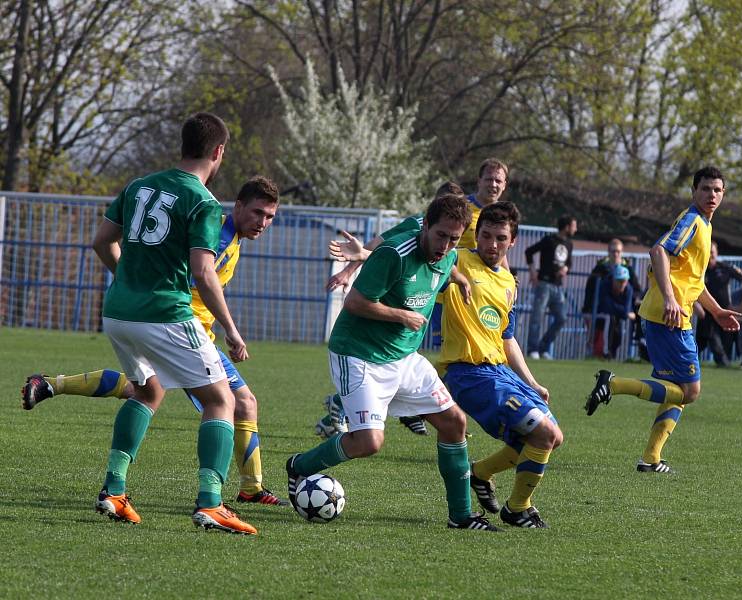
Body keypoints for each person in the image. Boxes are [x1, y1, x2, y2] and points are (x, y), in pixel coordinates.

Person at [21, 176, 287, 507]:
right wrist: (231, 330)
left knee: (144, 390)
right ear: (238, 206)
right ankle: (242, 490)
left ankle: (51, 385)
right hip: (181, 330)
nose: (263, 222)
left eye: (270, 217)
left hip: (150, 320)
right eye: (258, 213)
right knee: (240, 402)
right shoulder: (218, 239)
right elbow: (195, 278)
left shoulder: (231, 236)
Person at [286, 193, 499, 531]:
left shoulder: (447, 258)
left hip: (404, 359)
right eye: (441, 235)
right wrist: (401, 315)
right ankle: (299, 465)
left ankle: (461, 516)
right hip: (359, 355)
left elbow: (444, 270)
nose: (445, 245)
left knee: (454, 422)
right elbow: (355, 302)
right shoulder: (394, 254)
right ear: (425, 225)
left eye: (454, 239)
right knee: (368, 443)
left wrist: (459, 279)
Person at [89, 112, 257, 534]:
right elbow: (203, 272)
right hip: (165, 314)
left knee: (148, 391)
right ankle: (211, 502)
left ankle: (114, 488)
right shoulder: (201, 200)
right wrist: (232, 329)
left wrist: (128, 279)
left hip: (117, 312)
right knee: (223, 400)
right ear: (218, 152)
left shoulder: (137, 185)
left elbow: (101, 241)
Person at [584, 166, 740, 473]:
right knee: (690, 391)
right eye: (706, 189)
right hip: (669, 315)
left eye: (717, 190)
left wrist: (716, 310)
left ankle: (651, 458)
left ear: (723, 194)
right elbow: (658, 251)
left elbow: (692, 279)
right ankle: (612, 385)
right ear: (694, 191)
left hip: (667, 314)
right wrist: (670, 298)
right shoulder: (692, 219)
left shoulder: (704, 225)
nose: (712, 195)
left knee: (676, 388)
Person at [439, 201, 562, 528]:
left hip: (501, 373)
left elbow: (507, 338)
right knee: (544, 433)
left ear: (513, 242)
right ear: (475, 235)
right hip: (468, 373)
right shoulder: (458, 260)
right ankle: (518, 508)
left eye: (500, 238)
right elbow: (420, 262)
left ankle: (480, 473)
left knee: (553, 437)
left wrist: (531, 381)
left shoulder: (509, 283)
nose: (491, 244)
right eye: (486, 236)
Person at [524, 215, 577, 359]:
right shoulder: (549, 240)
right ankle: (532, 349)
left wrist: (566, 268)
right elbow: (529, 251)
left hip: (558, 287)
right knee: (537, 317)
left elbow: (569, 263)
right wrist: (533, 271)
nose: (575, 229)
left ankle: (543, 347)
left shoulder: (569, 244)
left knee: (561, 318)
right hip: (544, 284)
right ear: (566, 227)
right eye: (574, 226)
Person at [694, 240, 742, 366]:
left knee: (724, 342)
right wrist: (696, 305)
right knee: (700, 341)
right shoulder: (699, 270)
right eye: (708, 252)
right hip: (706, 313)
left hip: (723, 312)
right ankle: (689, 364)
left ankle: (724, 363)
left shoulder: (724, 268)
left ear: (717, 253)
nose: (710, 255)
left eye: (712, 252)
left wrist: (740, 301)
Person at [593, 264, 636, 358]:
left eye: (624, 281)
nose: (621, 284)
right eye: (619, 281)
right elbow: (606, 306)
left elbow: (625, 312)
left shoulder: (628, 289)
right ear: (613, 279)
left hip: (617, 318)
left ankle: (611, 356)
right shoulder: (605, 285)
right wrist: (624, 311)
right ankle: (605, 353)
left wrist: (621, 311)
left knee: (618, 337)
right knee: (609, 318)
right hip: (601, 317)